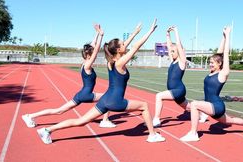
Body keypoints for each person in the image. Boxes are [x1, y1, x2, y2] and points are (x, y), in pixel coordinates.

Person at [37, 19, 165, 144]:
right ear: (119, 50)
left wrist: (135, 33)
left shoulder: (110, 62)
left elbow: (124, 45)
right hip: (115, 101)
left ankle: (47, 130)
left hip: (105, 99)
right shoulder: (120, 63)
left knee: (80, 121)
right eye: (123, 44)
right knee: (144, 106)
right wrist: (150, 31)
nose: (125, 44)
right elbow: (136, 47)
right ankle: (152, 135)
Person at [22, 24, 116, 128]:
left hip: (81, 94)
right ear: (90, 55)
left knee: (59, 111)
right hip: (86, 94)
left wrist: (97, 33)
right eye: (93, 53)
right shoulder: (88, 65)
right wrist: (102, 35)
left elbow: (93, 46)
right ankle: (105, 120)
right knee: (108, 97)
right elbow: (96, 48)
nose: (95, 53)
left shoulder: (84, 63)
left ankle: (30, 116)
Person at [180, 26, 243, 142]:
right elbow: (219, 53)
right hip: (211, 106)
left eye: (212, 63)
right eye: (210, 62)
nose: (210, 64)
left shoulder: (223, 74)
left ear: (219, 64)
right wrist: (223, 36)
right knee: (230, 121)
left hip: (217, 106)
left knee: (194, 105)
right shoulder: (212, 72)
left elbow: (225, 53)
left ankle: (193, 133)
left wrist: (228, 35)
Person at [152, 26, 207, 127]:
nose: (171, 53)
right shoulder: (173, 61)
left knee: (159, 96)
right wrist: (168, 34)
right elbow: (169, 46)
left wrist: (176, 31)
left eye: (173, 52)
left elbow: (178, 45)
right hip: (174, 89)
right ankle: (202, 114)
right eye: (171, 52)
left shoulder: (181, 62)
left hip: (178, 89)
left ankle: (156, 119)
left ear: (179, 52)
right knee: (188, 107)